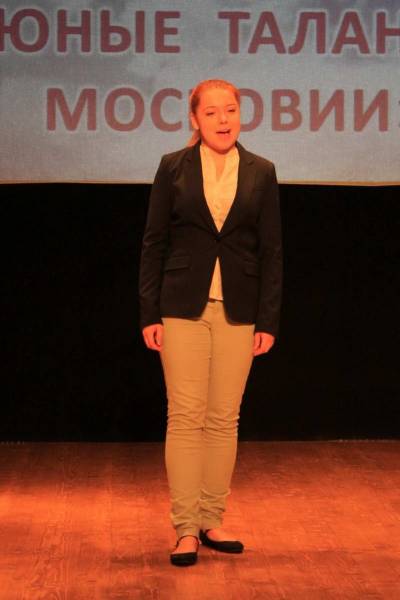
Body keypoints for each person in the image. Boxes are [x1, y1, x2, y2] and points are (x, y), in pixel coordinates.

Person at [139, 78, 283, 566]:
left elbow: (272, 251)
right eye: (212, 112)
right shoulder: (173, 167)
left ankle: (211, 518)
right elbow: (153, 243)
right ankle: (185, 527)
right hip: (182, 306)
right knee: (185, 416)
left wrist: (268, 319)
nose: (224, 120)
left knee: (224, 417)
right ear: (195, 119)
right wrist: (148, 311)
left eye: (231, 110)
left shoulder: (262, 171)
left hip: (240, 309)